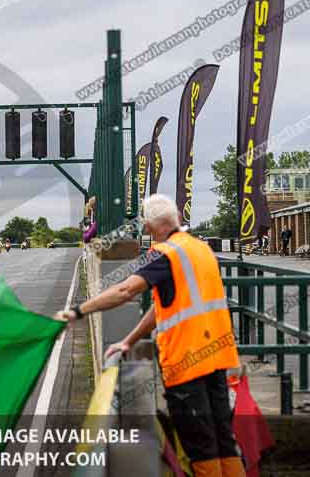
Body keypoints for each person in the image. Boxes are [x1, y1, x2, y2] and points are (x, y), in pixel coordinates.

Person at [56, 194, 244, 477]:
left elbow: (125, 291)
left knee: (201, 449)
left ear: (149, 225)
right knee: (224, 443)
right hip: (217, 359)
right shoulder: (201, 249)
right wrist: (129, 341)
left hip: (187, 365)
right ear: (176, 218)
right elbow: (165, 307)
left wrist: (79, 311)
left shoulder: (164, 254)